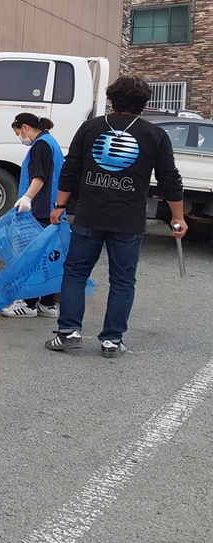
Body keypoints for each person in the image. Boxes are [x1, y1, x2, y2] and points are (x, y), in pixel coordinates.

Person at [45, 76, 186, 358]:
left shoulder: (91, 127)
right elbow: (170, 179)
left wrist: (60, 205)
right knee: (122, 280)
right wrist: (177, 218)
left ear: (111, 99)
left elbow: (71, 168)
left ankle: (69, 333)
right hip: (129, 220)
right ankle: (112, 340)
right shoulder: (155, 135)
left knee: (75, 273)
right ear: (144, 104)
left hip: (89, 215)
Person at [0, 113, 65, 318]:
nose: (20, 137)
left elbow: (39, 177)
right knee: (48, 256)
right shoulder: (51, 142)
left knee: (33, 257)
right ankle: (47, 303)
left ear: (25, 127)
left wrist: (27, 198)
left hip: (41, 209)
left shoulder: (40, 145)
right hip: (52, 208)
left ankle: (28, 304)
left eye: (18, 132)